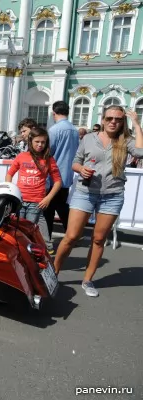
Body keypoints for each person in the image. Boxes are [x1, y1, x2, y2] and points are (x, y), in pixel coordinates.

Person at [54, 106, 143, 297]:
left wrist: (136, 123)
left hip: (112, 195)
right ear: (102, 120)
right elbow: (75, 162)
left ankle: (88, 279)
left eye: (118, 119)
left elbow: (140, 153)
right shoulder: (88, 138)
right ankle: (52, 274)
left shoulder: (125, 140)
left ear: (122, 122)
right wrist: (80, 169)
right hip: (85, 192)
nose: (113, 122)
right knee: (71, 237)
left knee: (99, 239)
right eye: (109, 118)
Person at [5, 127, 62, 246]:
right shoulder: (22, 156)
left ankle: (31, 253)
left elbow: (57, 181)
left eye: (43, 142)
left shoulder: (49, 160)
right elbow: (9, 174)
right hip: (20, 199)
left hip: (36, 202)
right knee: (17, 228)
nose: (40, 145)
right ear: (30, 141)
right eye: (37, 142)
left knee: (28, 230)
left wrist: (48, 198)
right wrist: (10, 192)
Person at [43, 101, 80, 252]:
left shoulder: (54, 130)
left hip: (54, 174)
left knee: (49, 210)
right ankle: (71, 233)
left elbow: (48, 152)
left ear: (54, 113)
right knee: (62, 206)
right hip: (67, 173)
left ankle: (47, 240)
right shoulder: (74, 130)